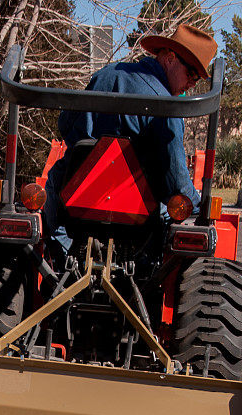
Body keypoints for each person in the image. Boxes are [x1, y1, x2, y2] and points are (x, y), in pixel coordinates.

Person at [43, 24, 218, 265]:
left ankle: (64, 261)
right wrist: (196, 203)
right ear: (169, 58)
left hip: (77, 201)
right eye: (191, 74)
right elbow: (176, 181)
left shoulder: (106, 74)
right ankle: (146, 273)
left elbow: (67, 126)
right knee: (179, 211)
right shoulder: (169, 108)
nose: (192, 84)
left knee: (54, 183)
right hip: (137, 216)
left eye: (197, 80)